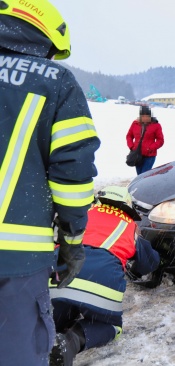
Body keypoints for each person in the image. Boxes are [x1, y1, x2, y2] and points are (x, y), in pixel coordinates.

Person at [0, 1, 101, 365]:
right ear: (46, 37)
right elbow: (73, 177)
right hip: (17, 261)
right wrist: (72, 242)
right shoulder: (56, 83)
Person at [49, 186, 160, 366]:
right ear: (127, 206)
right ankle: (71, 342)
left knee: (58, 311)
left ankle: (49, 334)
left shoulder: (84, 213)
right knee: (110, 326)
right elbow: (149, 262)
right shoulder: (129, 226)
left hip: (59, 273)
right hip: (101, 280)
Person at [126, 105, 164, 175]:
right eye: (143, 116)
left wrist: (150, 148)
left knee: (144, 175)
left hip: (150, 156)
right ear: (140, 116)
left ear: (150, 116)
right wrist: (131, 146)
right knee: (139, 175)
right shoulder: (135, 124)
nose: (145, 118)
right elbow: (129, 136)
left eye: (147, 116)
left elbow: (160, 140)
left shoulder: (156, 125)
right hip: (137, 155)